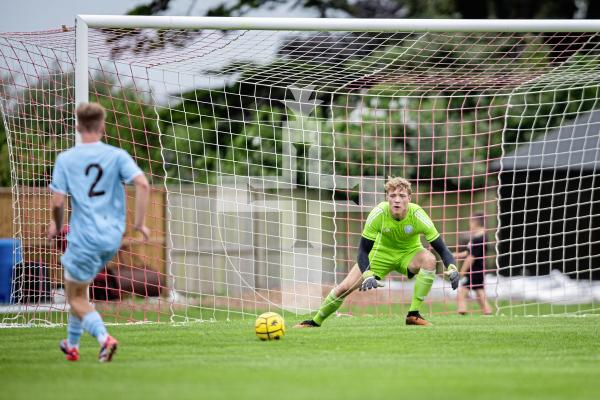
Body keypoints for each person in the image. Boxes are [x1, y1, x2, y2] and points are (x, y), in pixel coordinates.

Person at [47, 102, 150, 362]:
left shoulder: (66, 159)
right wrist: (139, 224)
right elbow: (142, 183)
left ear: (77, 126)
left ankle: (105, 339)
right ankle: (72, 346)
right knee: (78, 289)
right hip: (112, 238)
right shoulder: (117, 155)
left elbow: (58, 202)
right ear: (103, 127)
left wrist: (57, 228)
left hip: (84, 238)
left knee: (76, 296)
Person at [295, 176, 459, 327]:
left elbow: (442, 248)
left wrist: (452, 267)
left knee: (429, 259)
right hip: (379, 255)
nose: (397, 200)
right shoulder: (378, 214)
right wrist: (368, 274)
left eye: (402, 196)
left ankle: (413, 314)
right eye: (392, 195)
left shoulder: (418, 215)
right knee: (343, 288)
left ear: (409, 198)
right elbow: (363, 251)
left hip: (410, 254)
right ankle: (315, 322)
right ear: (387, 197)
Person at [454, 213, 493, 315]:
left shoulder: (479, 239)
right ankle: (488, 311)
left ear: (475, 223)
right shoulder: (478, 237)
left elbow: (471, 258)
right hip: (479, 270)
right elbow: (468, 252)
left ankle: (461, 312)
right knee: (479, 291)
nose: (469, 224)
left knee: (462, 292)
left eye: (470, 222)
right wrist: (454, 255)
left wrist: (461, 272)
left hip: (474, 270)